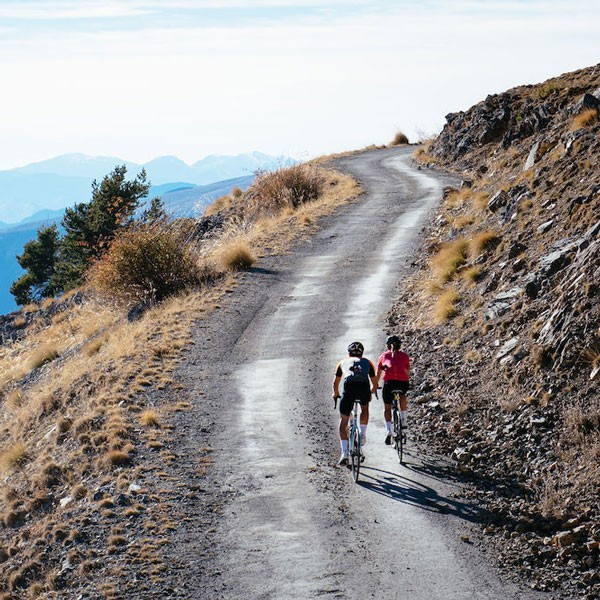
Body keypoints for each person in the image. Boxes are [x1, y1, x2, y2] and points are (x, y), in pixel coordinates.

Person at [332, 341, 378, 465]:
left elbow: (335, 383)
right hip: (363, 386)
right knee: (364, 408)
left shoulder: (342, 362)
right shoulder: (368, 362)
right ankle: (362, 434)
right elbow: (375, 383)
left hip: (349, 387)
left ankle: (344, 453)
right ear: (362, 353)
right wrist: (371, 392)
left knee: (343, 420)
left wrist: (335, 394)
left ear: (349, 353)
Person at [375, 335, 410, 445]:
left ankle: (388, 430)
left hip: (389, 384)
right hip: (402, 383)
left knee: (387, 407)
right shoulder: (405, 356)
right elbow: (407, 372)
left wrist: (375, 386)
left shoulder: (383, 356)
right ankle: (403, 419)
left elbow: (378, 374)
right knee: (403, 395)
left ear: (387, 346)